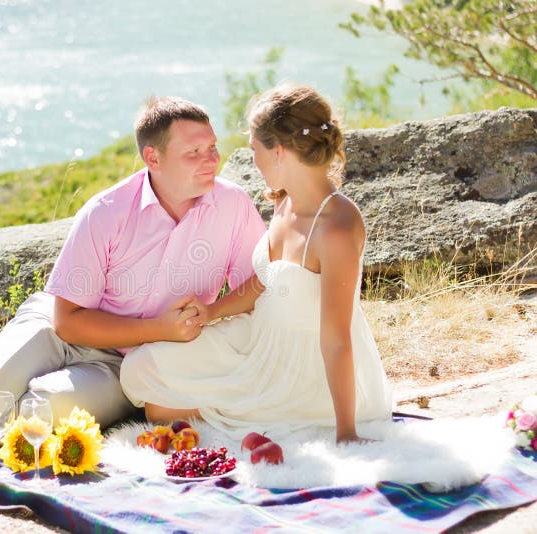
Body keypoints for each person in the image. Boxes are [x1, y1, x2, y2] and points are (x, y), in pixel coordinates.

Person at [0, 97, 266, 429]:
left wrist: (211, 315)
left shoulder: (232, 205)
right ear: (153, 157)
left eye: (212, 147)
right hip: (55, 328)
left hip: (127, 362)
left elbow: (257, 284)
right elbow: (67, 321)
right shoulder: (106, 211)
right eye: (194, 152)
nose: (211, 160)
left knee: (40, 413)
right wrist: (158, 328)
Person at [120, 84, 392, 444]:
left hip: (305, 370)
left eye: (255, 151)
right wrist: (211, 312)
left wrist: (347, 432)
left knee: (160, 410)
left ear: (278, 152)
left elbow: (338, 340)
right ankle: (236, 401)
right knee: (140, 368)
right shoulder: (285, 200)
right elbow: (268, 281)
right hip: (259, 339)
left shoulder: (336, 228)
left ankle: (282, 414)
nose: (254, 161)